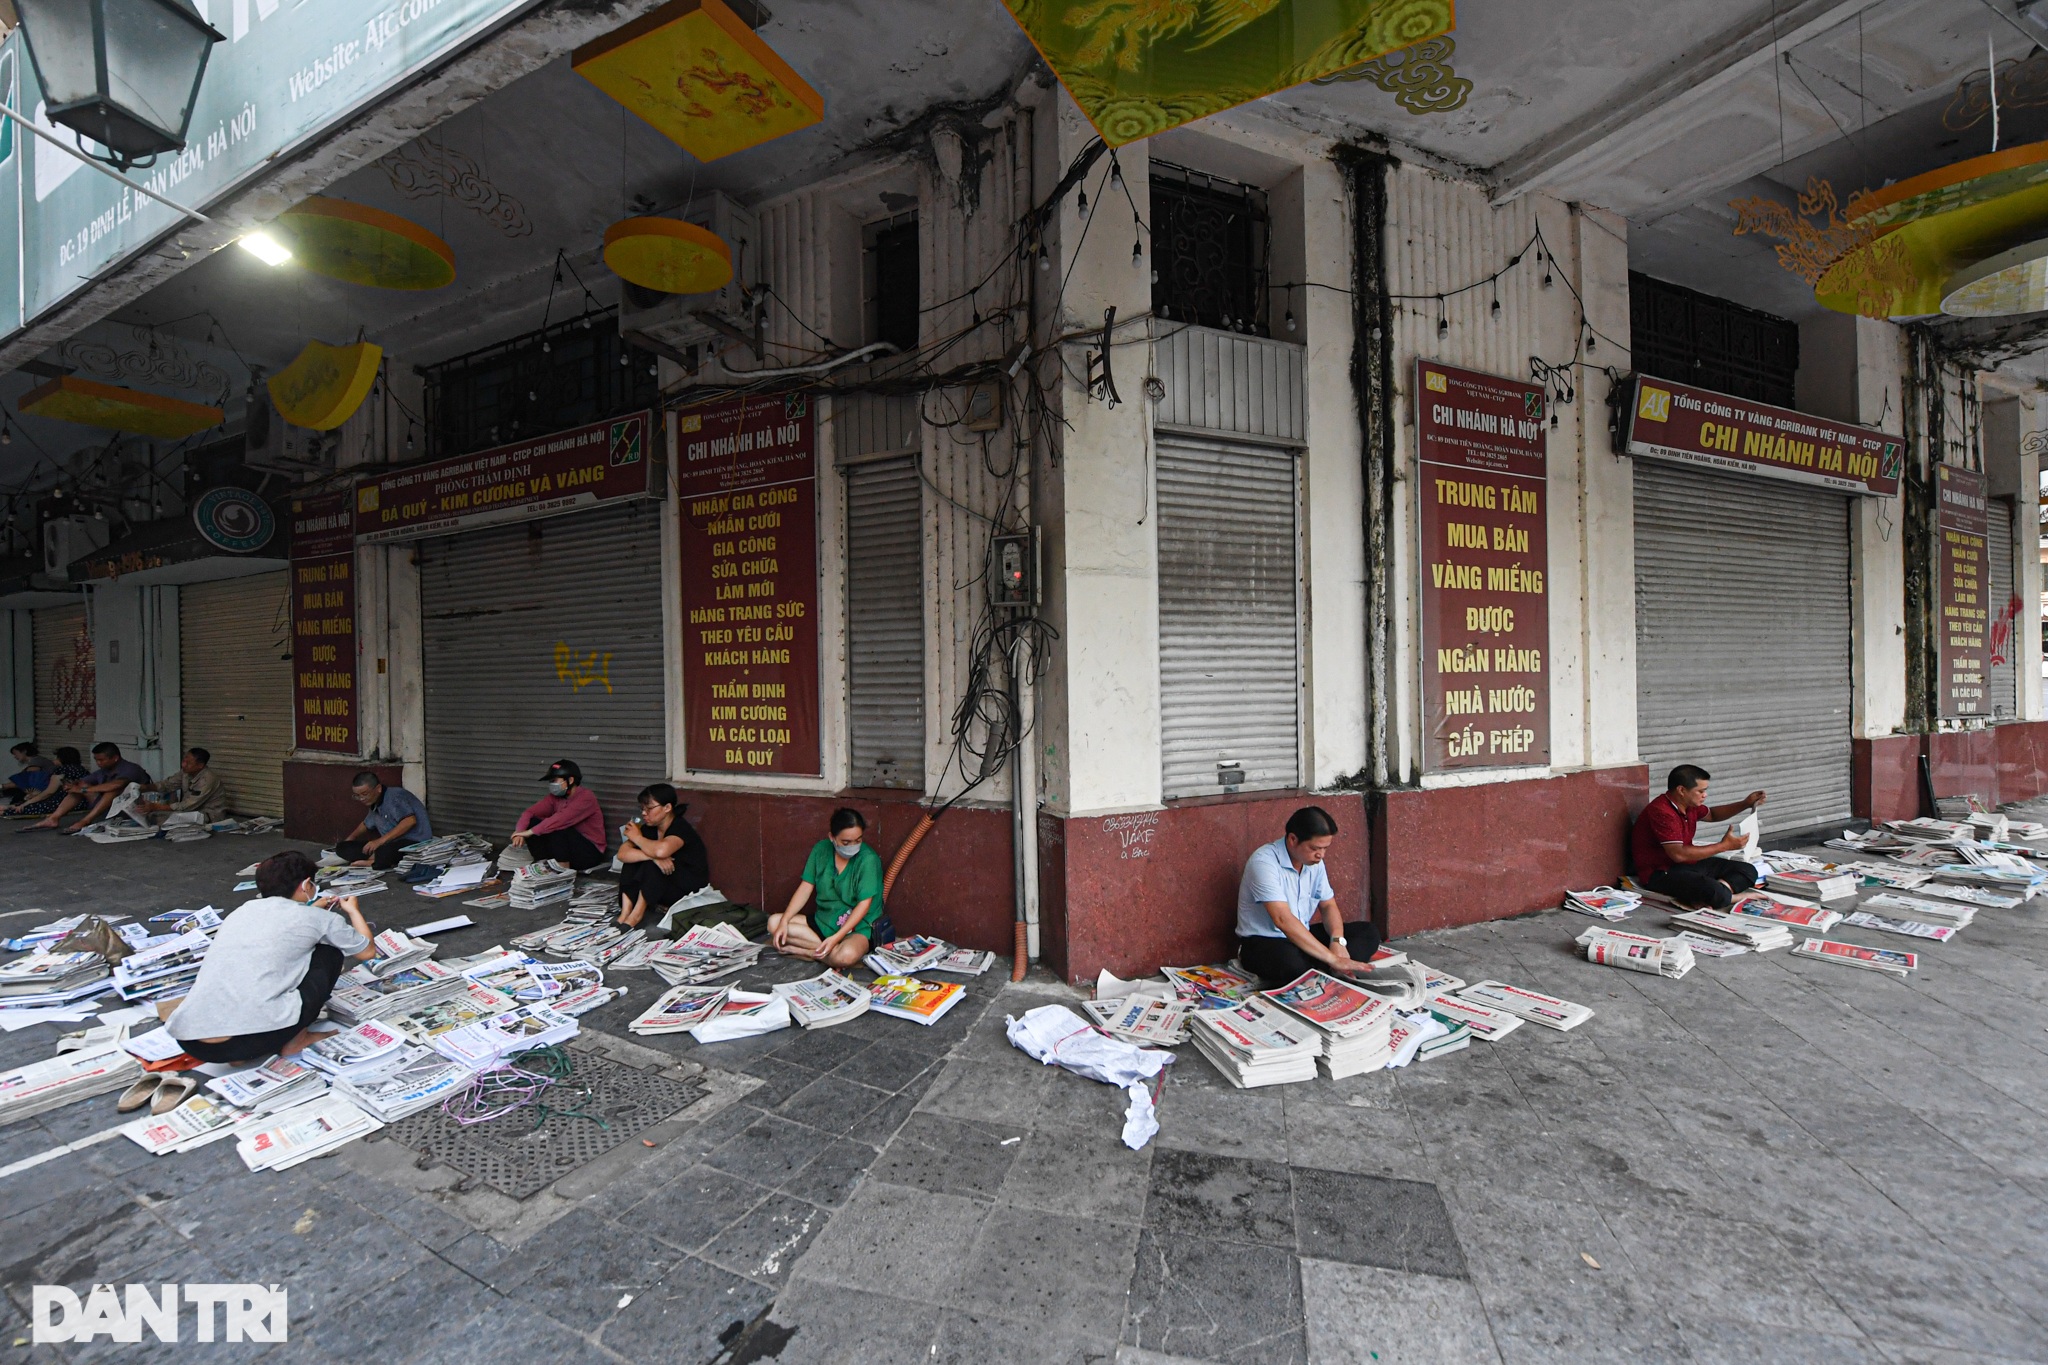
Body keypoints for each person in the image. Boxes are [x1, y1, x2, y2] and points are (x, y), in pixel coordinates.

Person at [164, 849, 377, 1063]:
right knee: (329, 952)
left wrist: (312, 909)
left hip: (191, 1041)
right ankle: (296, 1040)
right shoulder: (318, 918)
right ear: (305, 885)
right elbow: (366, 951)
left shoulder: (241, 912)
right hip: (250, 1040)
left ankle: (241, 1055)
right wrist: (353, 910)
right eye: (312, 884)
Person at [1236, 806, 1381, 988]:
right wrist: (1332, 958)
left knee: (1368, 933)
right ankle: (1323, 966)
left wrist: (1337, 941)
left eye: (1325, 848)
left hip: (1303, 935)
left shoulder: (1315, 863)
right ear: (1292, 839)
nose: (1321, 855)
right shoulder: (1264, 862)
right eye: (1314, 848)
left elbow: (1328, 905)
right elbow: (1282, 919)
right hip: (1266, 942)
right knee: (1292, 964)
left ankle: (1318, 967)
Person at [1630, 764, 1766, 910]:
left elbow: (1713, 814)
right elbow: (1678, 854)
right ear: (1681, 790)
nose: (1704, 795)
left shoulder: (1689, 805)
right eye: (1700, 791)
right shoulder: (1662, 811)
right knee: (1713, 891)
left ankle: (1718, 893)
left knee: (1748, 870)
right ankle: (1728, 896)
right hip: (1661, 873)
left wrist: (1745, 803)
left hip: (1688, 865)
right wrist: (1724, 846)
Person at [768, 808, 884, 968]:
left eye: (858, 840)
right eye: (846, 842)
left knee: (845, 956)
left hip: (858, 927)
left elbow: (864, 905)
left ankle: (807, 952)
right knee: (774, 923)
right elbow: (806, 887)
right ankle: (828, 953)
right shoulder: (821, 850)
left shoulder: (867, 860)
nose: (853, 846)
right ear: (832, 837)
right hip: (825, 920)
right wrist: (785, 920)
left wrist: (837, 938)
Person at [615, 783, 710, 928]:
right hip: (662, 885)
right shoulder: (649, 828)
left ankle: (635, 917)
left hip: (685, 887)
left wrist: (637, 838)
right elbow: (622, 854)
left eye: (649, 809)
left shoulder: (680, 827)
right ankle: (625, 913)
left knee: (651, 864)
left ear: (667, 808)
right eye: (642, 809)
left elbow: (661, 851)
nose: (644, 813)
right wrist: (653, 857)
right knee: (634, 860)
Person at [29, 742, 153, 832]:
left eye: (101, 760)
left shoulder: (131, 768)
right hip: (107, 807)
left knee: (112, 790)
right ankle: (53, 818)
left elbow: (117, 784)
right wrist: (73, 785)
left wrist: (84, 790)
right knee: (80, 786)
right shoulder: (103, 770)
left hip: (133, 809)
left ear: (115, 758)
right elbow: (83, 783)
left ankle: (85, 821)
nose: (98, 763)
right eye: (96, 760)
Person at [510, 759, 608, 871]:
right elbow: (530, 812)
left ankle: (562, 870)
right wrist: (519, 832)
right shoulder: (555, 798)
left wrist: (530, 832)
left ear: (570, 780)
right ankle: (542, 864)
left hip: (589, 853)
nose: (552, 784)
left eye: (555, 780)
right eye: (551, 781)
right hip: (566, 849)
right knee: (533, 821)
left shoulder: (586, 797)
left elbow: (561, 820)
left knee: (557, 827)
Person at [334, 770, 433, 869]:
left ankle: (372, 861)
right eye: (357, 796)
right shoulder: (375, 803)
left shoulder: (395, 797)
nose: (361, 799)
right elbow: (366, 823)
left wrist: (379, 841)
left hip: (413, 841)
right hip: (388, 843)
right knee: (342, 847)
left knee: (386, 852)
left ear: (378, 788)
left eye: (364, 794)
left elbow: (409, 821)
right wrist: (350, 838)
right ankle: (374, 859)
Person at [134, 748, 230, 822]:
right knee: (153, 816)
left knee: (161, 820)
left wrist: (155, 807)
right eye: (183, 761)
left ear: (200, 765)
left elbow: (187, 806)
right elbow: (168, 784)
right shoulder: (185, 773)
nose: (183, 765)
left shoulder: (207, 779)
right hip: (190, 811)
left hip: (209, 815)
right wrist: (145, 788)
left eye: (188, 763)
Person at [6, 747, 87, 820]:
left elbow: (49, 792)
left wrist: (26, 803)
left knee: (22, 809)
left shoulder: (61, 771)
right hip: (81, 803)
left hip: (61, 802)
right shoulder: (82, 770)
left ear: (61, 758)